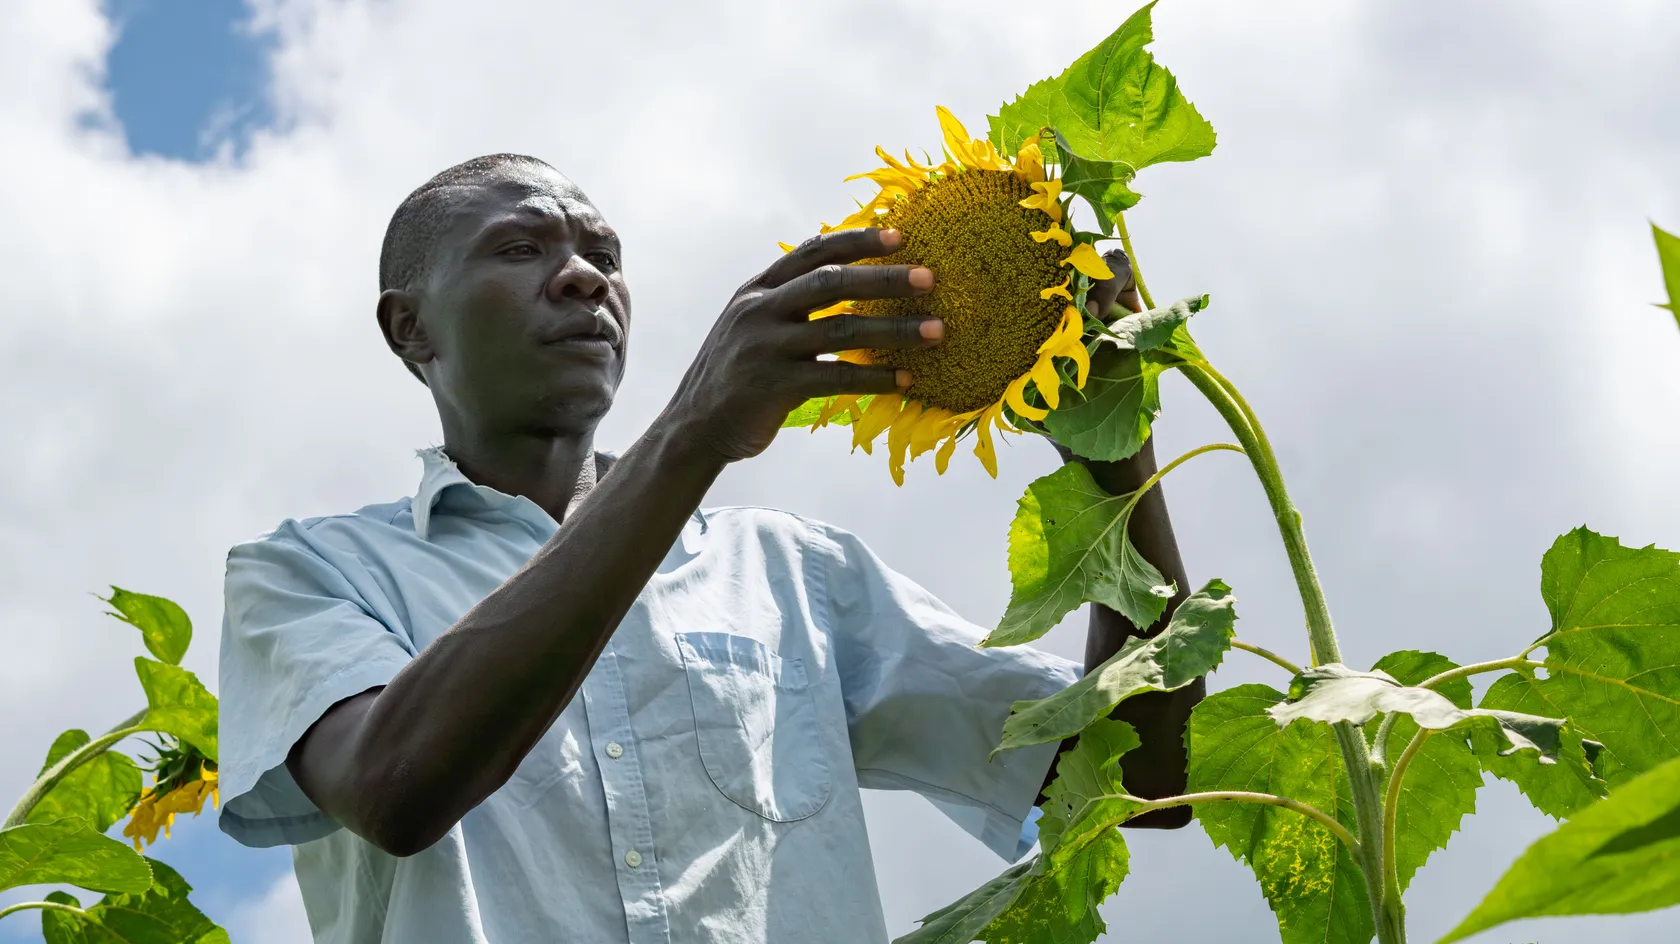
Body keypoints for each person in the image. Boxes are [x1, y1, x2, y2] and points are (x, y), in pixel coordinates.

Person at [216, 153, 1201, 944]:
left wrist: (1113, 441)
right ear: (410, 328)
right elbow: (396, 785)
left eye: (603, 251)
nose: (583, 274)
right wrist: (692, 432)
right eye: (518, 247)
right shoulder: (309, 574)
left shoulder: (792, 572)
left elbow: (1143, 779)